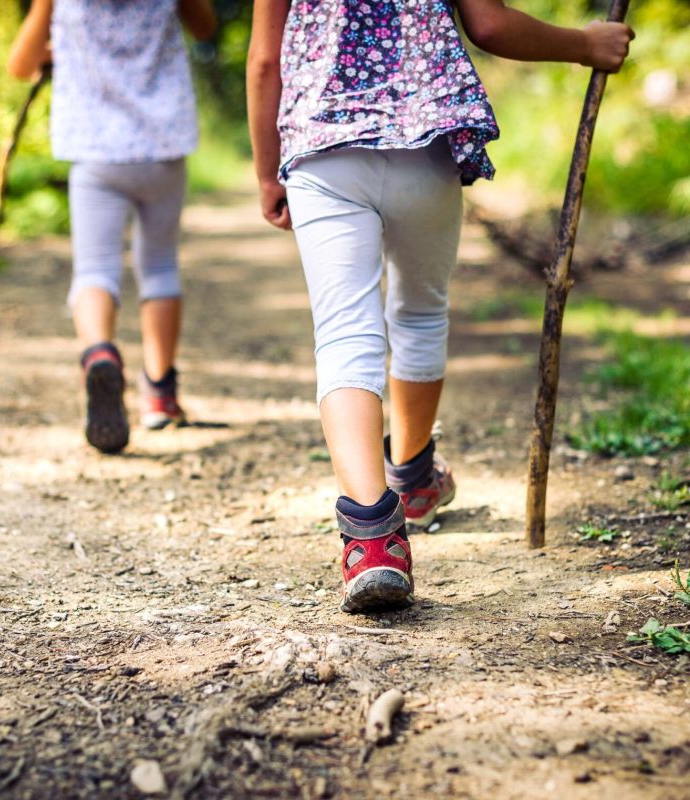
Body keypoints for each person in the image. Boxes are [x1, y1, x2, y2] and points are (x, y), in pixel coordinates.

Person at [247, 0, 634, 613]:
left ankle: (372, 538)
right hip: (421, 144)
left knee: (345, 333)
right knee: (420, 311)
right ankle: (414, 477)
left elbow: (267, 61)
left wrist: (268, 172)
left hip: (323, 149)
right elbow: (488, 24)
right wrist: (584, 44)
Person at [8, 0, 216, 453]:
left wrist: (55, 45)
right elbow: (205, 28)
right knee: (159, 267)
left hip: (95, 151)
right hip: (162, 147)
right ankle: (160, 395)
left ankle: (100, 352)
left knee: (95, 269)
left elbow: (20, 64)